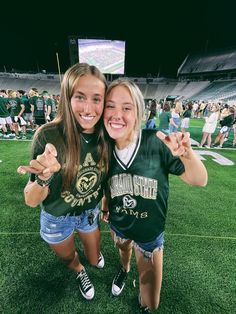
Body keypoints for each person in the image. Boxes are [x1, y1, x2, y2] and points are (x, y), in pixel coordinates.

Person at [102, 78, 208, 313]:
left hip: (149, 234)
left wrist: (188, 156)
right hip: (118, 224)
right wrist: (105, 207)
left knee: (151, 303)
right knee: (123, 251)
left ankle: (142, 293)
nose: (117, 114)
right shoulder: (102, 148)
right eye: (110, 106)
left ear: (139, 112)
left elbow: (200, 180)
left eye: (126, 107)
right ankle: (125, 268)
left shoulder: (155, 142)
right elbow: (107, 185)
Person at [17, 63, 109, 300]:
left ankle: (89, 260)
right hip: (57, 218)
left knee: (94, 256)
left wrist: (105, 205)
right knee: (71, 259)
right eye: (80, 97)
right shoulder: (49, 135)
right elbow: (30, 199)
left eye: (96, 99)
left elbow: (107, 177)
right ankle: (79, 272)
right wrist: (43, 178)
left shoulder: (107, 135)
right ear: (67, 97)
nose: (89, 108)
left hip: (89, 211)